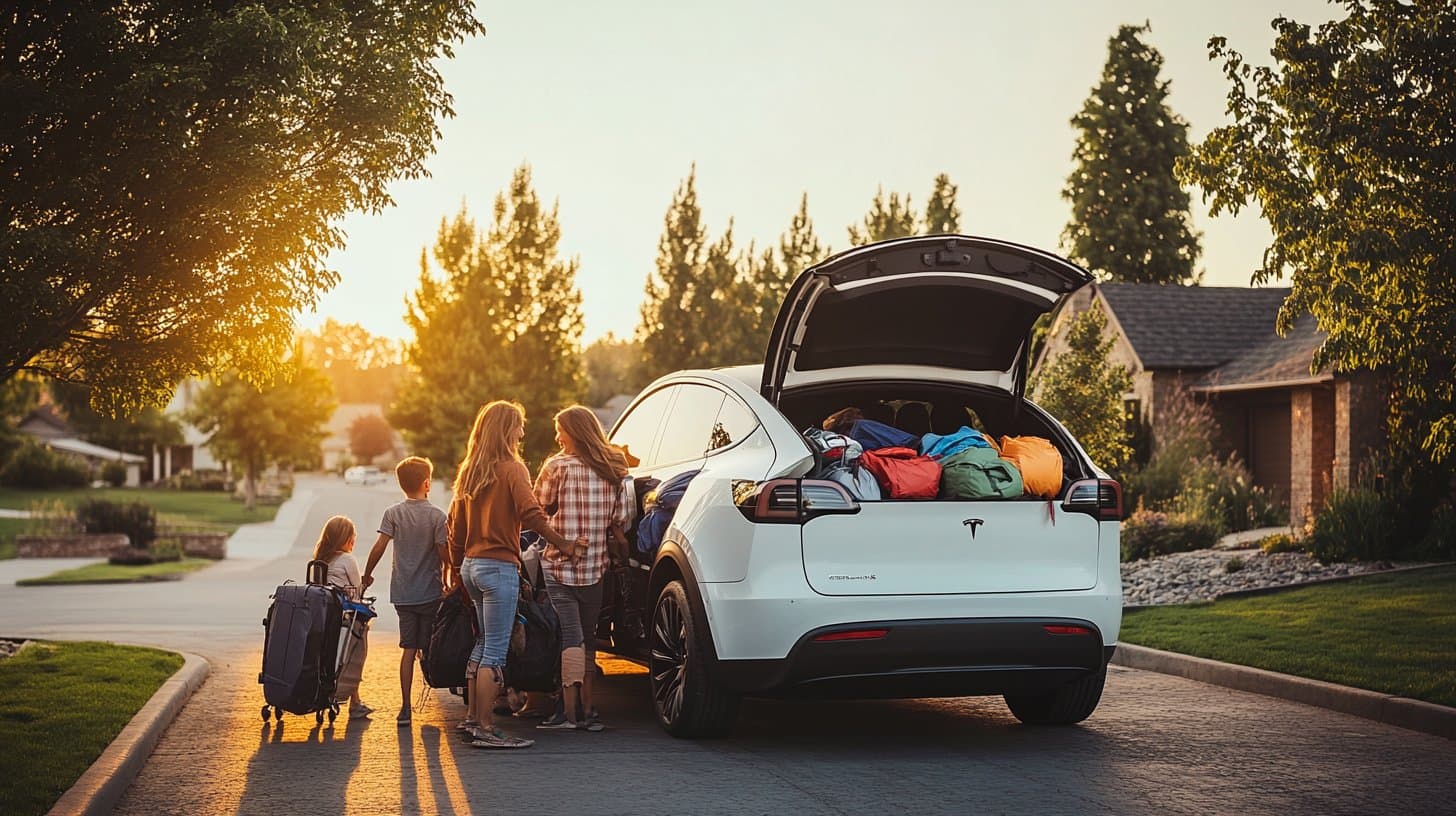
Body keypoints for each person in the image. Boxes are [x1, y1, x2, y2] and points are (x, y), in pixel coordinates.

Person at [446, 400, 586, 750]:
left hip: (472, 566)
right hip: (498, 567)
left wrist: (455, 570)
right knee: (495, 650)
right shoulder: (513, 469)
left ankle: (471, 721)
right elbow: (532, 514)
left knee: (481, 644)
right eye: (519, 425)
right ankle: (487, 729)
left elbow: (456, 530)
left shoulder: (470, 471)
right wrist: (564, 543)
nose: (523, 432)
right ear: (507, 429)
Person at [532, 405, 630, 732]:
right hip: (596, 566)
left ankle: (569, 713)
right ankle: (589, 712)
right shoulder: (614, 468)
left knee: (570, 636)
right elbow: (622, 519)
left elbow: (538, 507)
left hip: (559, 565)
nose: (557, 436)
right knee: (587, 636)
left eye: (560, 430)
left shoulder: (556, 467)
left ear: (573, 432)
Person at [361, 456, 448, 728]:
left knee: (408, 648)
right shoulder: (437, 516)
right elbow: (443, 553)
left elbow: (379, 547)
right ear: (427, 483)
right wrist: (451, 578)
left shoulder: (393, 513)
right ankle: (431, 689)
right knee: (429, 644)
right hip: (431, 593)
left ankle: (405, 708)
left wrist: (367, 574)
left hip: (403, 594)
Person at [312, 515, 372, 720]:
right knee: (358, 640)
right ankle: (353, 702)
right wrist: (365, 584)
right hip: (342, 620)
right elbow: (356, 594)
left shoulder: (319, 560)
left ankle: (355, 701)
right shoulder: (347, 560)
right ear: (347, 539)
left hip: (322, 620)